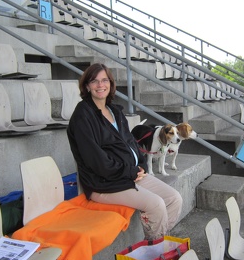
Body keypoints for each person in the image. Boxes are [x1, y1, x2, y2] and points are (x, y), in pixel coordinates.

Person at [67, 63, 183, 240]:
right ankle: (157, 247)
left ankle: (157, 241)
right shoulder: (83, 116)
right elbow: (97, 161)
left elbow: (131, 142)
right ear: (87, 86)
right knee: (156, 205)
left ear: (111, 83)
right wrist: (130, 171)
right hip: (104, 183)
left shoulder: (114, 111)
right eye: (94, 81)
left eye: (104, 80)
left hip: (129, 174)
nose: (100, 85)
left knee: (175, 199)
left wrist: (142, 164)